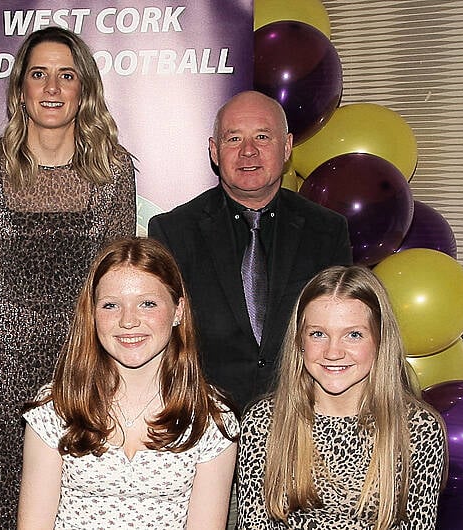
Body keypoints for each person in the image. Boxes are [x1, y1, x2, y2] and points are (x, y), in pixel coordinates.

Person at [0, 26, 136, 528]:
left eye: (66, 75)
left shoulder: (113, 171)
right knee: (6, 512)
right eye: (39, 74)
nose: (52, 87)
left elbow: (119, 283)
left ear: (85, 90)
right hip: (2, 380)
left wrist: (93, 358)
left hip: (88, 374)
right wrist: (4, 341)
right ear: (21, 89)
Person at [148, 90, 351, 412]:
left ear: (286, 147)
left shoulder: (326, 231)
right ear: (214, 151)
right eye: (233, 139)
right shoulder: (173, 232)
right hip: (206, 424)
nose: (248, 151)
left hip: (300, 420)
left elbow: (344, 333)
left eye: (262, 136)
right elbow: (161, 340)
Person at [19, 237, 238, 529]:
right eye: (111, 306)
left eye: (147, 304)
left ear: (178, 310)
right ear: (92, 313)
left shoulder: (211, 416)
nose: (128, 321)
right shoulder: (56, 407)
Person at [237, 266, 446, 529]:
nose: (333, 352)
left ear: (380, 340)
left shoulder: (418, 428)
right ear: (299, 340)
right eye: (318, 334)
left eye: (354, 335)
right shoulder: (264, 420)